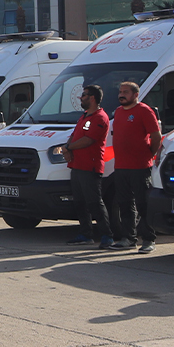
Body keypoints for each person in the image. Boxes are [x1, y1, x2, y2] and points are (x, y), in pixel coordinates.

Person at [109, 82, 161, 252]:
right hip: (121, 166)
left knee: (143, 204)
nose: (121, 95)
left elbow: (156, 136)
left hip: (139, 167)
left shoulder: (144, 111)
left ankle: (148, 239)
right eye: (120, 91)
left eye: (125, 92)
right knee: (124, 204)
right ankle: (128, 238)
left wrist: (149, 154)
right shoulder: (118, 112)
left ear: (135, 94)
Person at [64, 85, 112, 248]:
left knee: (94, 202)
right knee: (79, 202)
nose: (80, 98)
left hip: (90, 166)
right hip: (77, 165)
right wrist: (67, 147)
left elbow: (88, 140)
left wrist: (69, 147)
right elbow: (74, 135)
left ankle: (107, 235)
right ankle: (85, 234)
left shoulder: (100, 117)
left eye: (83, 95)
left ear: (92, 98)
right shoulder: (84, 116)